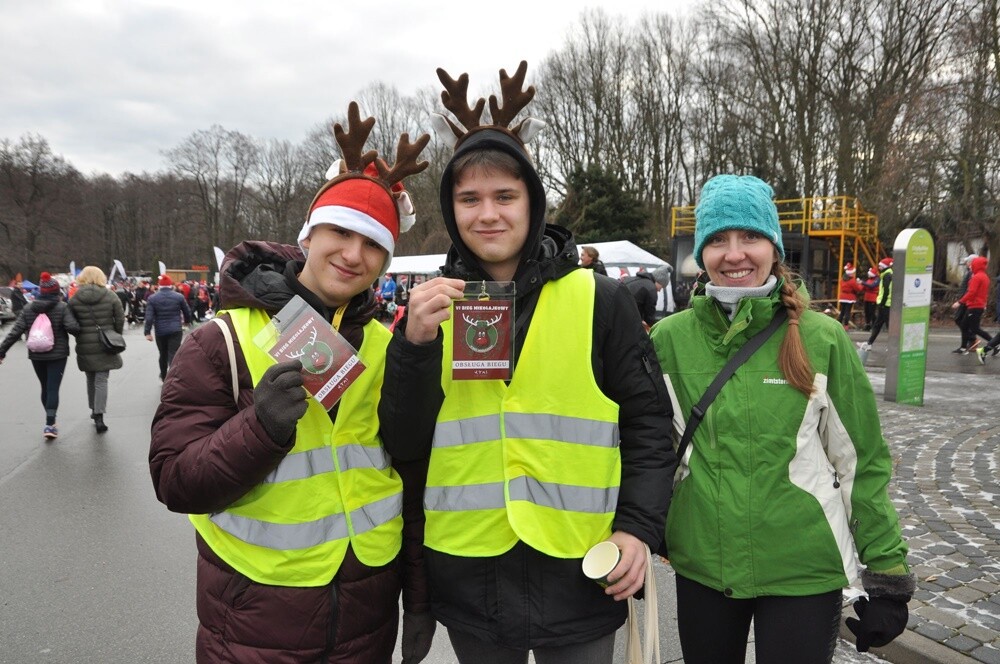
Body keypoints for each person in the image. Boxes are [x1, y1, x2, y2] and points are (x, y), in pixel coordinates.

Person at [378, 61, 677, 662]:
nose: (487, 214)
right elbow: (403, 442)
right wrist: (412, 349)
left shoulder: (601, 301)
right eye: (469, 199)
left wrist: (639, 529)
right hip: (470, 572)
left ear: (532, 203)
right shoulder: (428, 312)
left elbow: (650, 428)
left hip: (581, 570)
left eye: (504, 196)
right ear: (453, 211)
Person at [148, 102, 434, 663]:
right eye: (340, 231)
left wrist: (418, 600)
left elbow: (410, 479)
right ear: (309, 234)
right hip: (256, 621)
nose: (354, 255)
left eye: (374, 244)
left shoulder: (386, 344)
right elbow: (175, 480)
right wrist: (261, 428)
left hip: (366, 618)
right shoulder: (222, 341)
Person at [649, 174, 914, 663]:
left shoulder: (823, 338)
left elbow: (862, 463)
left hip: (802, 568)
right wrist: (635, 536)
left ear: (774, 245)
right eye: (718, 240)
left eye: (750, 236)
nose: (734, 254)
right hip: (704, 563)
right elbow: (649, 450)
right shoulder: (668, 339)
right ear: (701, 253)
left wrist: (888, 574)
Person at [0, 272, 80, 439]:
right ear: (56, 293)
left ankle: (50, 421)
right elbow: (73, 328)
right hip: (57, 355)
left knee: (45, 387)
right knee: (53, 388)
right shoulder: (62, 307)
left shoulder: (29, 308)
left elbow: (16, 331)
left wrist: (2, 351)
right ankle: (50, 424)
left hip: (36, 354)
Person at [68, 266, 125, 434]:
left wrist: (80, 334)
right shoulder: (110, 295)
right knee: (102, 379)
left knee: (90, 377)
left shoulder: (75, 298)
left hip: (85, 342)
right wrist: (114, 334)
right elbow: (120, 317)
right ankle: (99, 414)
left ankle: (93, 409)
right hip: (105, 341)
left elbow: (70, 322)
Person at [144, 274, 192, 381]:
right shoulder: (179, 297)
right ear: (171, 284)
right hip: (175, 329)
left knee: (163, 354)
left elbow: (149, 317)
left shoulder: (152, 298)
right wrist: (187, 322)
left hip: (160, 331)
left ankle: (164, 376)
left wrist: (147, 332)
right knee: (174, 353)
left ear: (159, 285)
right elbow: (187, 312)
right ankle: (174, 377)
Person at [952, 255, 991, 354]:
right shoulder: (985, 276)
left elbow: (971, 292)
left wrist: (960, 302)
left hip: (974, 306)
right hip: (978, 305)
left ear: (976, 265)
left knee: (975, 328)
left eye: (972, 265)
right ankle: (963, 347)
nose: (970, 266)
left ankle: (994, 343)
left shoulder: (977, 277)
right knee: (965, 326)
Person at [858, 257, 894, 352]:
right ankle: (869, 343)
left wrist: (882, 303)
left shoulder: (887, 276)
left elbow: (886, 290)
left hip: (886, 304)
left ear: (884, 267)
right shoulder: (887, 274)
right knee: (877, 325)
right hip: (885, 304)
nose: (879, 267)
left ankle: (892, 346)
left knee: (888, 326)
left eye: (880, 266)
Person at [836, 262, 863, 330]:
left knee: (842, 312)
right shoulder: (852, 281)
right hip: (850, 298)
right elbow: (858, 289)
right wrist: (860, 284)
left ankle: (838, 324)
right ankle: (846, 325)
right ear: (851, 273)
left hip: (842, 297)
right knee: (847, 312)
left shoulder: (842, 279)